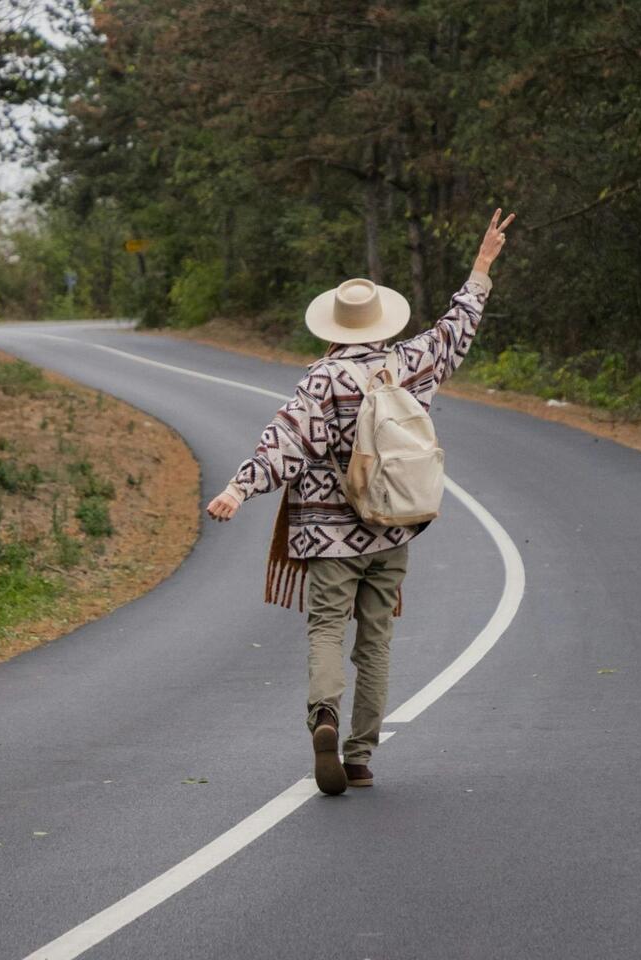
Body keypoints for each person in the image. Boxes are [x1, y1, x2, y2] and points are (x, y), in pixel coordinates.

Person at [206, 209, 515, 795]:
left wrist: (238, 488)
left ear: (333, 327)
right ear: (380, 322)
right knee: (375, 641)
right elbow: (455, 330)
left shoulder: (322, 381)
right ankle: (360, 756)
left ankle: (324, 715)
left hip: (327, 536)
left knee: (326, 628)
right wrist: (480, 267)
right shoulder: (408, 363)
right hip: (394, 526)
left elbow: (286, 441)